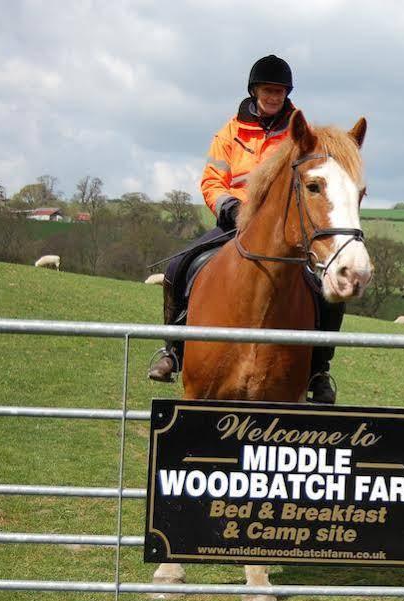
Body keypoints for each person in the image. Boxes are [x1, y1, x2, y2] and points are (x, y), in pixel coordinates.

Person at [147, 54, 343, 404]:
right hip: (234, 222)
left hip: (281, 229)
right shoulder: (230, 133)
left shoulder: (299, 133)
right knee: (179, 267)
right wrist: (227, 205)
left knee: (323, 287)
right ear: (254, 91)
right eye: (268, 90)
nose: (274, 97)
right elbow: (211, 179)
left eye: (280, 92)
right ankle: (173, 350)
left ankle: (319, 368)